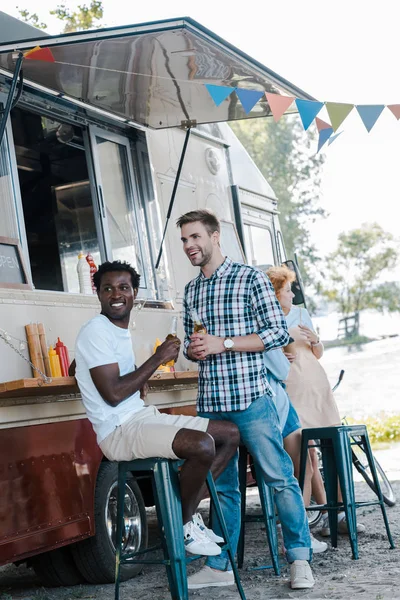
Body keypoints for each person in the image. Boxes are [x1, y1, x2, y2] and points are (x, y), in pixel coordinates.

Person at [177, 210, 314, 591]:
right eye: (184, 240)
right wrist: (195, 349)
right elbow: (195, 348)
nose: (189, 246)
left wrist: (226, 343)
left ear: (215, 236)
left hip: (251, 398)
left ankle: (300, 560)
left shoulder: (250, 278)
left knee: (278, 477)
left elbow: (275, 334)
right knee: (222, 488)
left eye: (194, 237)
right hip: (211, 401)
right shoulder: (191, 291)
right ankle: (220, 566)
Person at [74, 260, 240, 558]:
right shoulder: (95, 331)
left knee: (229, 435)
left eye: (124, 287)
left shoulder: (115, 330)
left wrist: (134, 377)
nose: (116, 294)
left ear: (134, 292)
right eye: (107, 288)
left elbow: (80, 366)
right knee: (202, 445)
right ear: (97, 293)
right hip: (118, 430)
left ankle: (178, 513)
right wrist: (157, 359)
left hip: (137, 416)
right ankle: (183, 522)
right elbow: (112, 395)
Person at [266, 265, 365, 537]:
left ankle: (342, 512)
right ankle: (316, 515)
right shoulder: (266, 319)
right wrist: (276, 356)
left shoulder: (301, 314)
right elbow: (266, 355)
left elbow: (317, 353)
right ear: (274, 294)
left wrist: (316, 340)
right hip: (290, 389)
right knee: (304, 454)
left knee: (332, 448)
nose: (292, 295)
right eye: (286, 291)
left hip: (316, 385)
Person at [264, 348, 328, 554]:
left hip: (274, 399)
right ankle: (297, 535)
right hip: (273, 398)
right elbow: (283, 369)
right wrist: (281, 357)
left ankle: (298, 532)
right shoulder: (263, 323)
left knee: (303, 467)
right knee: (301, 470)